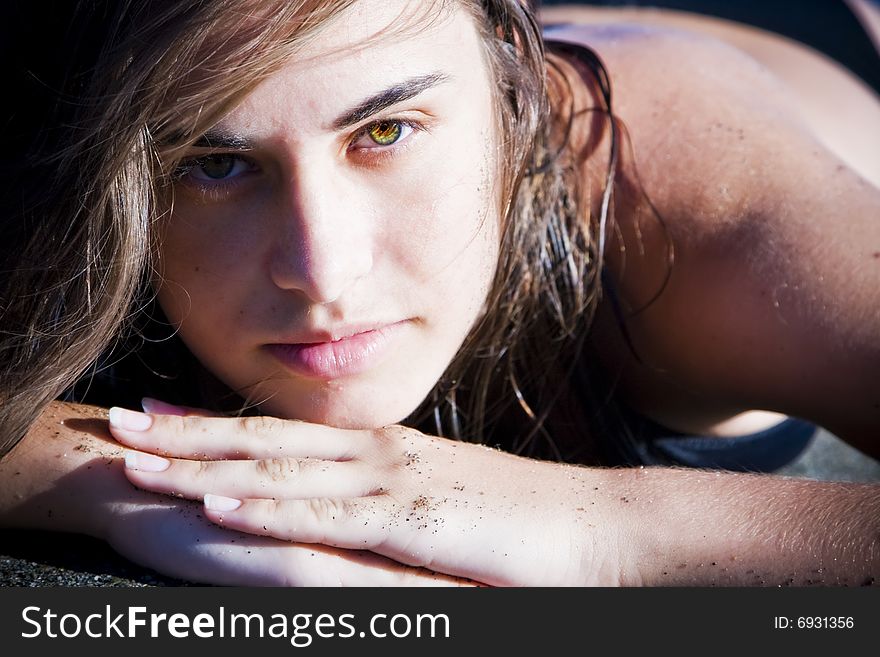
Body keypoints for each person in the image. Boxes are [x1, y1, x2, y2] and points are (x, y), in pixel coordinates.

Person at [0, 0, 878, 586]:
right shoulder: (81, 147)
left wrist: (602, 528)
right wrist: (111, 473)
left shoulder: (674, 211)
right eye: (214, 163)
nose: (323, 271)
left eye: (385, 131)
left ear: (512, 99)